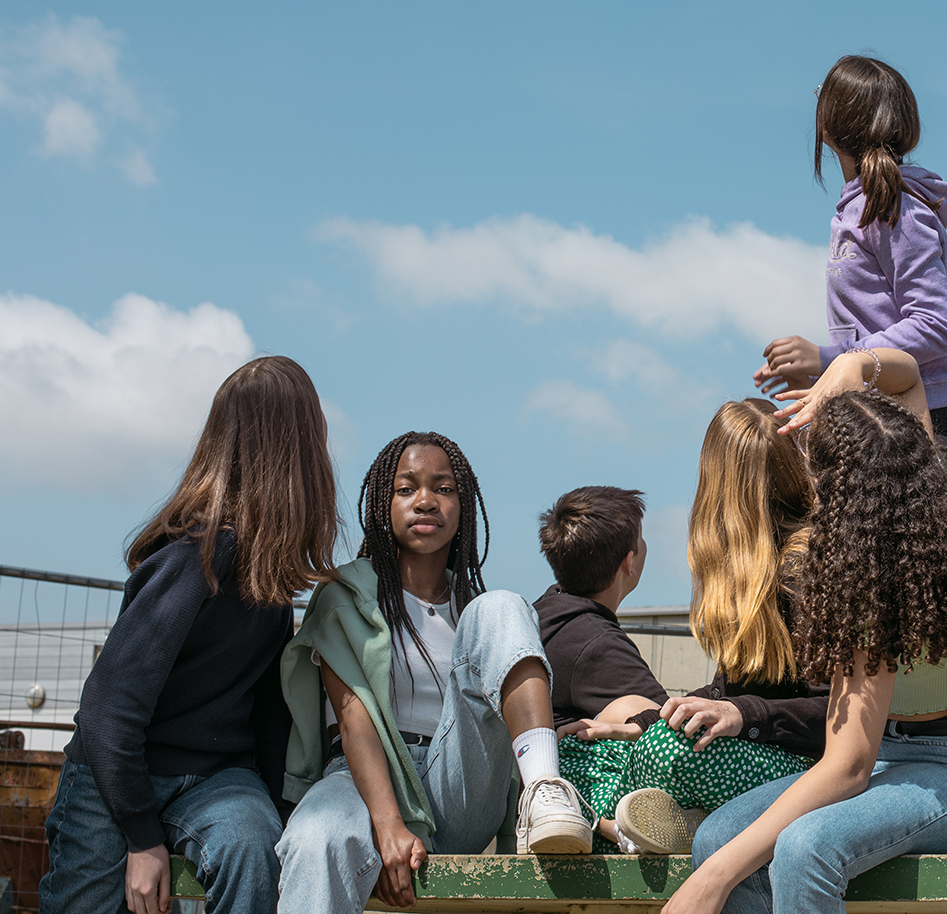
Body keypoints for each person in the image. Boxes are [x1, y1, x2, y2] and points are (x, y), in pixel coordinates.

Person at [670, 356, 947, 914]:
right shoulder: (911, 481)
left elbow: (846, 767)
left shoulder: (867, 584)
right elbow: (910, 378)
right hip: (892, 761)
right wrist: (856, 365)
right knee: (715, 836)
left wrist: (710, 882)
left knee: (806, 849)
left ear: (835, 487)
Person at [41, 355, 339, 914]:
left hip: (217, 779)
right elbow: (108, 712)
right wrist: (141, 836)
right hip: (117, 772)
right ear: (294, 447)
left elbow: (270, 716)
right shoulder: (191, 562)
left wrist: (283, 815)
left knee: (252, 847)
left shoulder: (268, 581)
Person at [277, 432, 589, 914]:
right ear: (384, 505)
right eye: (406, 489)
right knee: (318, 833)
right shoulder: (346, 595)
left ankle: (546, 791)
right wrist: (386, 823)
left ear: (464, 507)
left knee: (504, 604)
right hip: (363, 777)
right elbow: (352, 714)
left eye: (443, 489)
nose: (426, 501)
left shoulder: (478, 613)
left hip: (457, 785)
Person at [575, 398, 830, 855]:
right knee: (579, 750)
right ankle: (651, 823)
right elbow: (731, 694)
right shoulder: (743, 574)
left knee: (663, 751)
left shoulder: (809, 569)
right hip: (753, 753)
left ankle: (620, 834)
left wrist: (743, 716)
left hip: (808, 769)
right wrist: (652, 718)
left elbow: (843, 715)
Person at [754, 54, 947, 496]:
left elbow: (936, 325)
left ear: (830, 125)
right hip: (888, 419)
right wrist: (823, 362)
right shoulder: (869, 206)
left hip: (933, 419)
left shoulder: (895, 208)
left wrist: (832, 361)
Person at [532, 487, 670, 849]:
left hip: (531, 797)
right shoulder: (595, 642)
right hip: (578, 803)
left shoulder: (547, 614)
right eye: (641, 540)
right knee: (635, 710)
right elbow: (672, 727)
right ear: (630, 562)